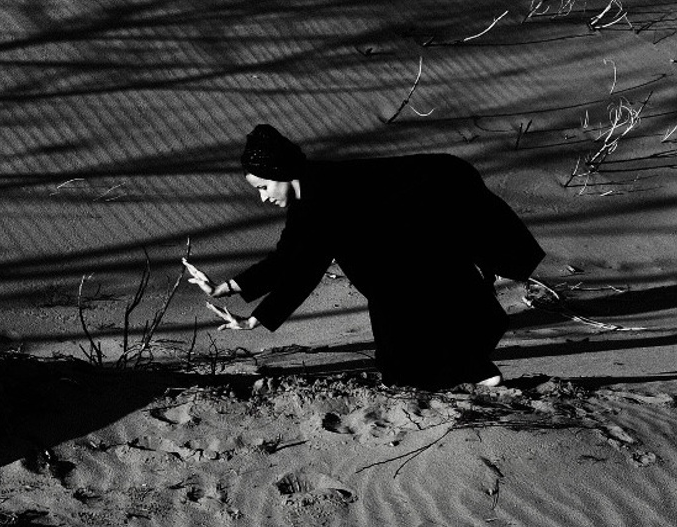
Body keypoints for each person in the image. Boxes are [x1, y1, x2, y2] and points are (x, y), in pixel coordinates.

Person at [184, 124, 545, 390]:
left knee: (410, 349)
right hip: (400, 265)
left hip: (422, 244)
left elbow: (305, 269)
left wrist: (256, 319)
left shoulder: (321, 196)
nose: (263, 197)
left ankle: (478, 374)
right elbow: (287, 258)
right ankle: (476, 373)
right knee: (406, 349)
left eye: (263, 187)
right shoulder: (311, 193)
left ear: (279, 172)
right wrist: (226, 287)